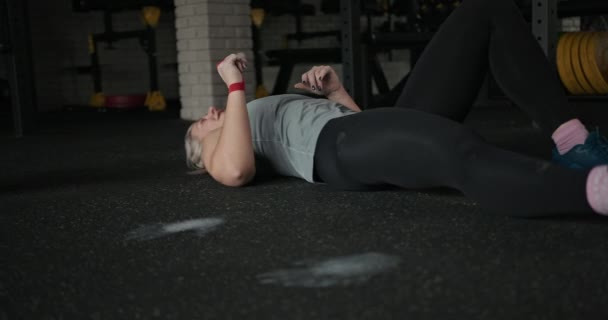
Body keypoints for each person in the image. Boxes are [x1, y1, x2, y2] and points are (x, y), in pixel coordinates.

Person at [184, 0, 608, 217]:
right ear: (201, 157)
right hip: (339, 148)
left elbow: (361, 127)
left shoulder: (240, 117)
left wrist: (336, 95)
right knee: (458, 150)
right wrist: (234, 85)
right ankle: (595, 190)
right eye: (199, 125)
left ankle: (573, 142)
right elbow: (238, 170)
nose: (208, 114)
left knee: (485, 10)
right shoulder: (220, 151)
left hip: (355, 131)